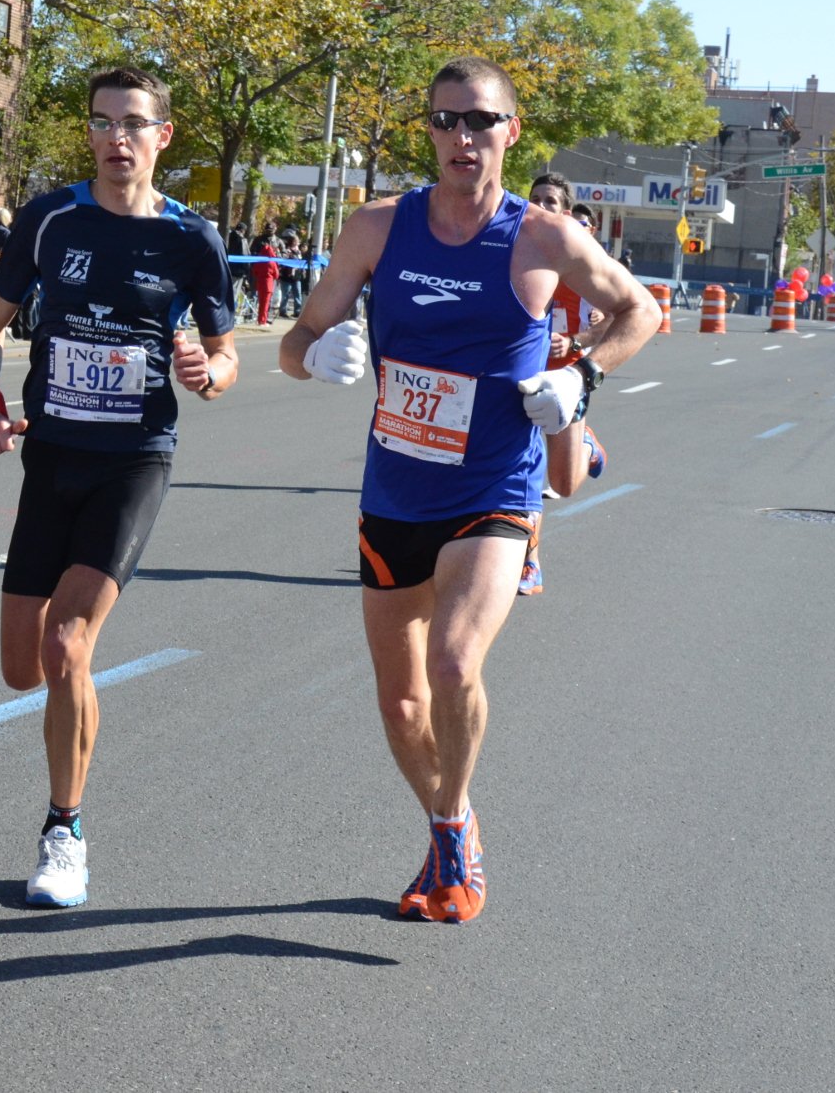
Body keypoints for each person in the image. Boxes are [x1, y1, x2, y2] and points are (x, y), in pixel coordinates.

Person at [279, 56, 657, 923]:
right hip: (394, 494)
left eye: (480, 121)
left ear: (509, 132)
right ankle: (452, 822)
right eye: (446, 119)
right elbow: (301, 334)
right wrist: (314, 357)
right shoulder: (377, 228)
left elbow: (640, 309)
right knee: (402, 699)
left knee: (452, 663)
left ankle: (451, 837)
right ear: (430, 129)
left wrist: (583, 378)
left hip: (494, 486)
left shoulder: (543, 238)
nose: (462, 136)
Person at [0, 65, 237, 909]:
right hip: (51, 456)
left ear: (164, 136)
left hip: (134, 459)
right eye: (102, 122)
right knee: (21, 668)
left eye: (133, 123)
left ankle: (65, 831)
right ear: (89, 134)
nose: (117, 137)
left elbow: (227, 358)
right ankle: (65, 742)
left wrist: (207, 370)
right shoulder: (51, 218)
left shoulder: (192, 239)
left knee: (67, 646)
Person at [518, 172, 610, 596]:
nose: (539, 206)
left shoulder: (581, 260)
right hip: (520, 375)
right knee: (526, 475)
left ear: (566, 212)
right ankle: (529, 564)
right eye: (535, 198)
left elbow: (618, 319)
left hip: (568, 377)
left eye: (550, 201)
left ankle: (586, 445)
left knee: (564, 484)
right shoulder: (515, 250)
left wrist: (578, 339)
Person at [250, 231, 279, 326]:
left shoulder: (259, 260)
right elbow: (276, 274)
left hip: (260, 282)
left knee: (260, 303)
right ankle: (262, 321)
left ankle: (260, 319)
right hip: (269, 284)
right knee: (265, 304)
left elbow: (255, 271)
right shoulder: (272, 262)